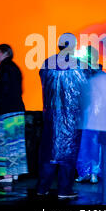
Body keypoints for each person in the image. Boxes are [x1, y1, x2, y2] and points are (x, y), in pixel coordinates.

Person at [36, 33, 89, 199]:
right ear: (73, 46)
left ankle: (42, 187)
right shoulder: (79, 65)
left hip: (52, 115)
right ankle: (64, 190)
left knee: (49, 153)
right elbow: (85, 91)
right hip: (71, 117)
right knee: (68, 153)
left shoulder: (47, 63)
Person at [0, 44, 28, 183]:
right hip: (17, 108)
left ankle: (5, 175)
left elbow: (3, 90)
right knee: (16, 142)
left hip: (7, 109)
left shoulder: (4, 68)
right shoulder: (15, 67)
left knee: (5, 141)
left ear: (5, 53)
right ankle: (14, 172)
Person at [76, 46, 103, 184]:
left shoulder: (98, 73)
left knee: (92, 142)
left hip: (93, 113)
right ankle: (86, 172)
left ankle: (93, 172)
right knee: (85, 143)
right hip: (86, 113)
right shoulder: (82, 73)